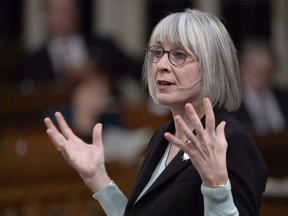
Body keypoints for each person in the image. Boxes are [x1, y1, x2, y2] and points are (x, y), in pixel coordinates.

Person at [44, 9, 268, 215]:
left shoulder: (231, 141)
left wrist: (216, 186)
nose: (161, 64)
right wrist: (98, 178)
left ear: (212, 66)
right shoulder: (162, 137)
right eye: (158, 52)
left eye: (179, 54)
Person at [18, 0, 141, 89]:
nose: (64, 16)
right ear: (46, 16)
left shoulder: (104, 47)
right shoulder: (32, 62)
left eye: (68, 9)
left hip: (107, 118)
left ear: (78, 13)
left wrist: (99, 68)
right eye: (57, 11)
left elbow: (139, 71)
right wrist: (69, 79)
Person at [232, 40, 288, 135]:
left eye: (267, 69)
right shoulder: (231, 102)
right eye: (256, 69)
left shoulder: (284, 97)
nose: (262, 75)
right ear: (242, 68)